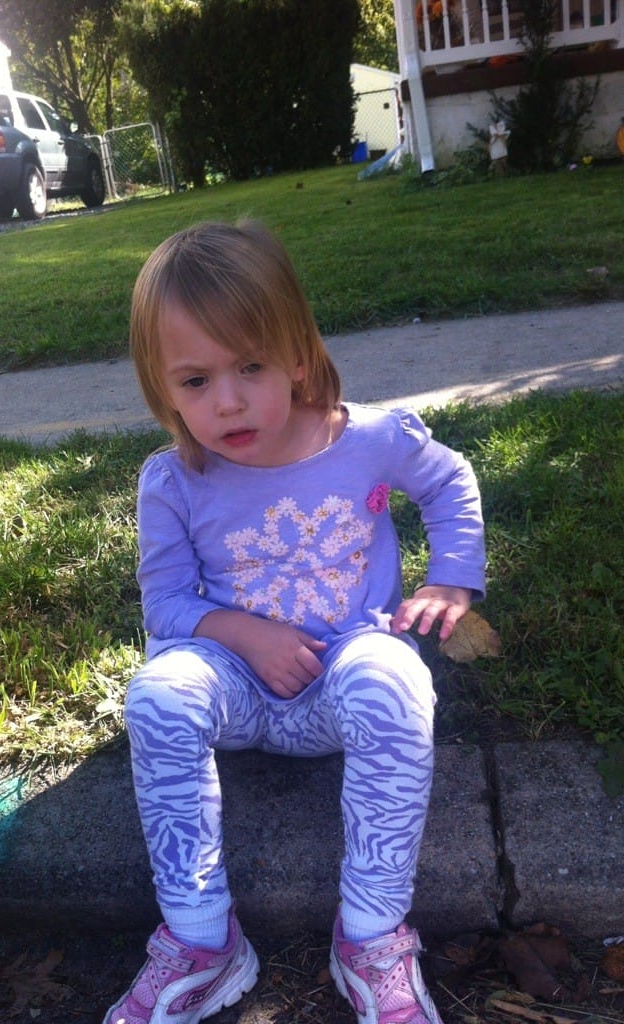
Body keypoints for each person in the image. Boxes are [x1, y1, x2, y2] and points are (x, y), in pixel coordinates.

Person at [103, 220, 486, 1024]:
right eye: (195, 380)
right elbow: (165, 604)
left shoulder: (369, 439)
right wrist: (246, 635)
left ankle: (370, 936)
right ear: (161, 389)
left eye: (250, 366)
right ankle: (202, 941)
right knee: (156, 695)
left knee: (395, 680)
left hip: (344, 676)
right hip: (235, 692)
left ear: (299, 357)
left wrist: (451, 578)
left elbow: (448, 482)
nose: (228, 400)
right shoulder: (172, 482)